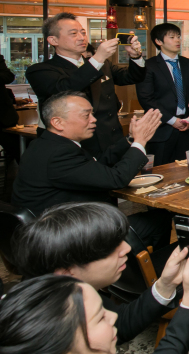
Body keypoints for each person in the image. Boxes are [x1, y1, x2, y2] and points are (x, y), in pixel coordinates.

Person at [0, 245, 189, 354]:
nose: (126, 249)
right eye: (100, 317)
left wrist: (169, 286)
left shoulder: (64, 300)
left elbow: (124, 325)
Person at [12, 202, 189, 346]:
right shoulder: (48, 336)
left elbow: (121, 323)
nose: (127, 248)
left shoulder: (67, 291)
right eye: (109, 248)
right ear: (67, 271)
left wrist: (165, 285)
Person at [11, 91, 171, 248]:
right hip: (61, 236)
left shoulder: (48, 144)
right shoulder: (58, 153)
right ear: (58, 122)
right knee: (159, 220)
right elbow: (116, 179)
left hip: (56, 226)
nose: (94, 120)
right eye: (86, 115)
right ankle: (149, 270)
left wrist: (130, 140)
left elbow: (95, 167)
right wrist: (140, 141)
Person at [26, 12, 146, 158]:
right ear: (53, 40)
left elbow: (133, 77)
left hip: (112, 139)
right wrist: (98, 58)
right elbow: (66, 88)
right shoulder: (41, 70)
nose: (82, 37)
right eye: (73, 33)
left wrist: (135, 56)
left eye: (83, 32)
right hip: (77, 145)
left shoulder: (101, 64)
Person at [136, 23, 189, 166]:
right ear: (159, 42)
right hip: (162, 129)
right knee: (162, 169)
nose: (177, 40)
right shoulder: (149, 66)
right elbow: (146, 98)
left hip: (188, 127)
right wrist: (172, 120)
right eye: (172, 37)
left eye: (178, 36)